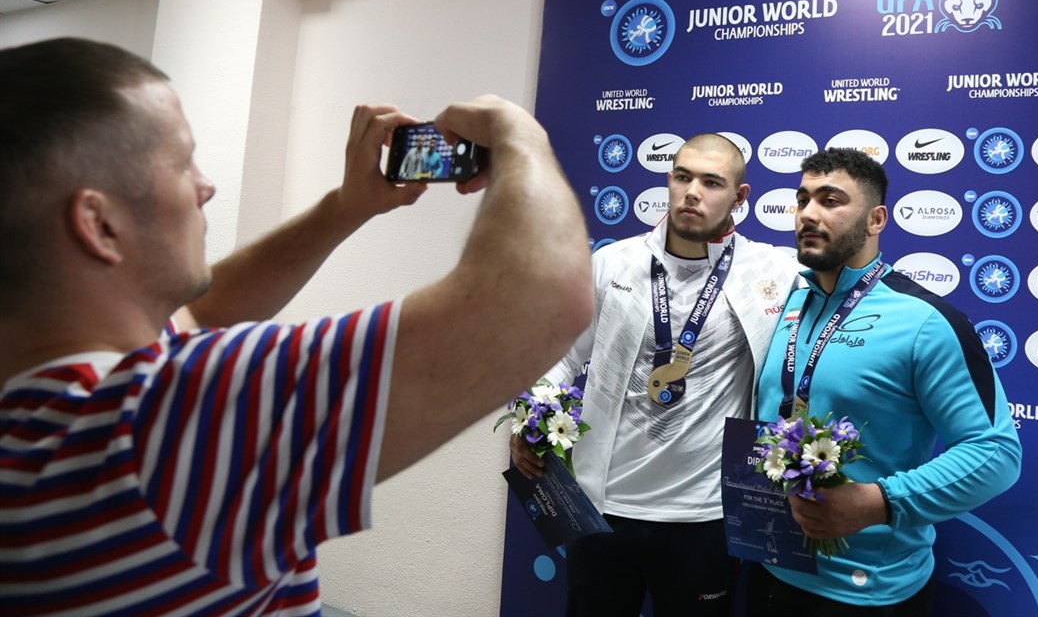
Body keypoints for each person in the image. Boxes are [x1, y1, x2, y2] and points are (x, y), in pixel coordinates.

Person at [0, 37, 592, 616]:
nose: (206, 186)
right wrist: (519, 134)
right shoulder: (162, 423)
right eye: (181, 164)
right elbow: (540, 298)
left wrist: (347, 205)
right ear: (99, 224)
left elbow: (199, 311)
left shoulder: (46, 403)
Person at [510, 133, 800, 617]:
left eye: (712, 183)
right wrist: (529, 418)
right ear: (669, 180)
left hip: (706, 516)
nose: (692, 192)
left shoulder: (772, 271)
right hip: (602, 509)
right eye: (683, 177)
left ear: (740, 196)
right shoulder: (612, 263)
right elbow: (559, 355)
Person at [750, 148, 1021, 615]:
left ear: (876, 220)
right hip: (769, 567)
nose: (808, 214)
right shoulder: (786, 305)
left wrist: (877, 502)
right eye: (803, 199)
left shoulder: (926, 321)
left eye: (831, 200)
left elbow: (996, 453)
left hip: (867, 592)